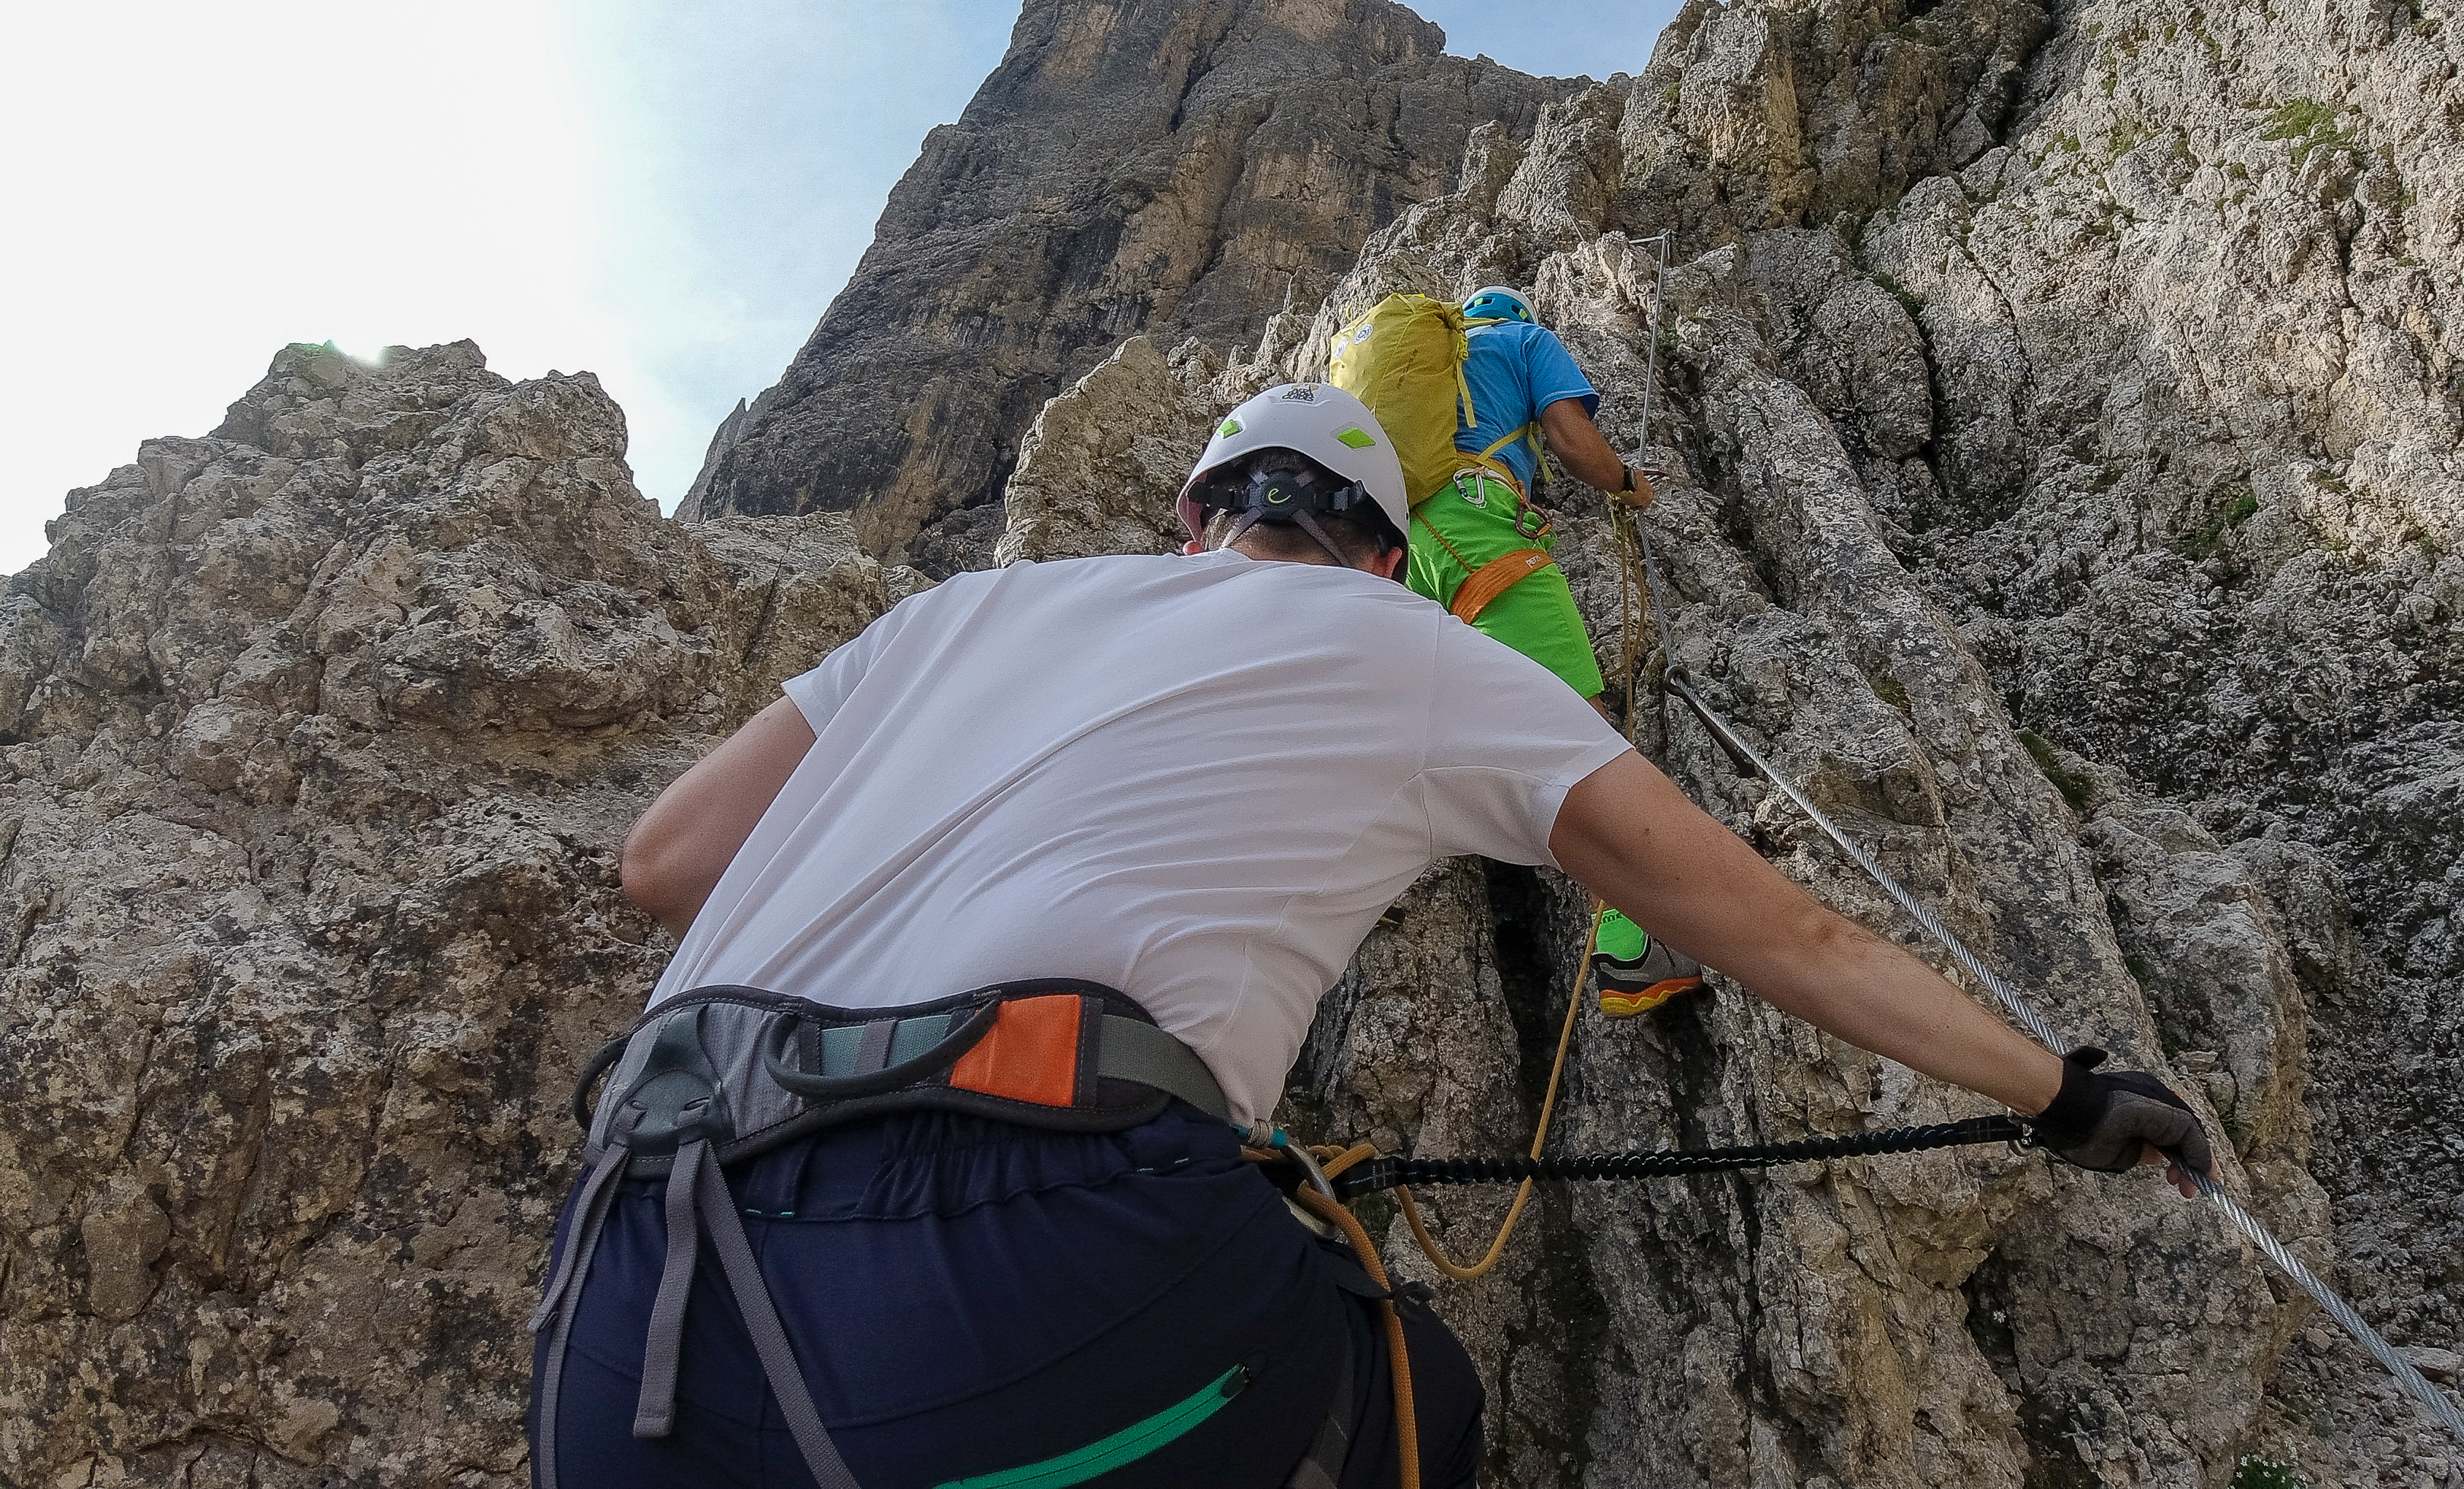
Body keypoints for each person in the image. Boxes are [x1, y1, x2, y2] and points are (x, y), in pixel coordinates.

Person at [527, 383, 2211, 1489]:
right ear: (1390, 555)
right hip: (1024, 1267)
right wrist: (2056, 1086)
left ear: (1195, 516)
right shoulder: (1410, 649)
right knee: (1416, 1407)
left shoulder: (960, 608)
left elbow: (664, 862)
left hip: (630, 1295)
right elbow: (1789, 929)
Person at [1407, 284, 1692, 1016]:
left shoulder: (1432, 364)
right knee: (1578, 728)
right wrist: (1628, 484)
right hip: (1474, 528)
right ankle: (1633, 947)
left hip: (1398, 552)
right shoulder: (1522, 343)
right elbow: (1572, 440)